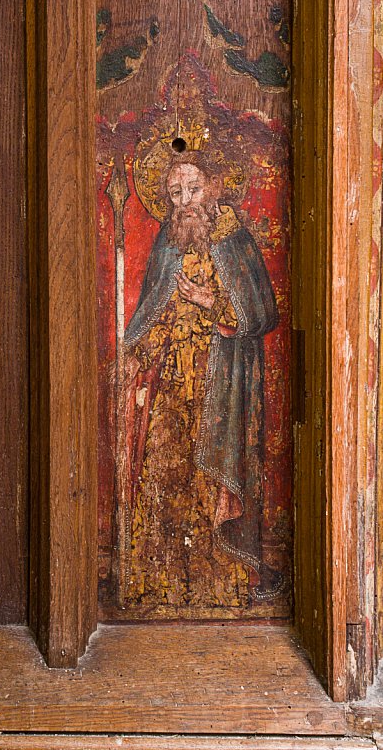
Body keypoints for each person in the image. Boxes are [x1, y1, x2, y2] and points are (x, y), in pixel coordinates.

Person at [122, 150, 282, 612]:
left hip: (221, 386)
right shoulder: (168, 242)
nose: (185, 200)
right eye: (175, 193)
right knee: (168, 475)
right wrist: (138, 353)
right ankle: (164, 578)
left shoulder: (234, 240)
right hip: (173, 385)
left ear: (211, 187)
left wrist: (213, 301)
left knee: (211, 483)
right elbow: (154, 310)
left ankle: (221, 579)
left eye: (192, 189)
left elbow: (262, 313)